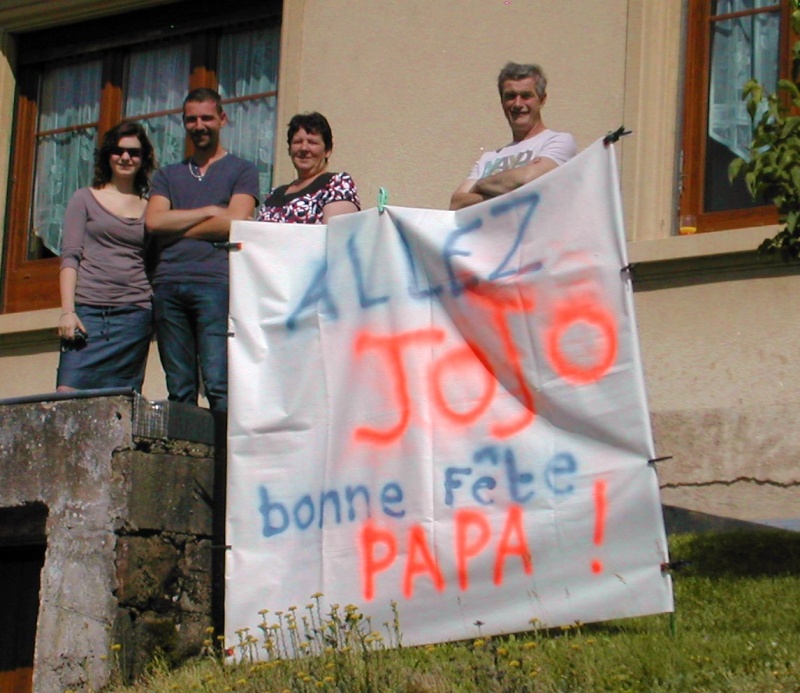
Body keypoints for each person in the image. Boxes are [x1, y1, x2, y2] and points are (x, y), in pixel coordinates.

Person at [145, 88, 259, 412]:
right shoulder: (168, 175)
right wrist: (209, 211)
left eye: (206, 117)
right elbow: (153, 222)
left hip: (215, 283)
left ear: (222, 119)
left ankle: (226, 463)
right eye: (192, 119)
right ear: (184, 124)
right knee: (179, 388)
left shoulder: (242, 170)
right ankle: (185, 460)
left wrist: (177, 228)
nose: (200, 125)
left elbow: (235, 221)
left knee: (218, 383)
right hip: (167, 284)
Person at [57, 121, 156, 393]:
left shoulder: (152, 208)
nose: (125, 157)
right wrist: (68, 311)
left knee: (119, 405)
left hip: (134, 316)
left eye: (134, 152)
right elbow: (70, 257)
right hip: (88, 313)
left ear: (143, 158)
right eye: (118, 151)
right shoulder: (84, 199)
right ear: (107, 155)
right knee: (68, 398)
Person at [449, 62, 577, 210]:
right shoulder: (488, 158)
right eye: (510, 96)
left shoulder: (558, 141)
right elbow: (456, 204)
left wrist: (481, 184)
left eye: (526, 96)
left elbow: (527, 180)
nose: (517, 104)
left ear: (542, 99)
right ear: (502, 101)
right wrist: (513, 190)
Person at [257, 112, 360, 223]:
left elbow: (338, 235)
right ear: (289, 150)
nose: (304, 148)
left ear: (327, 151)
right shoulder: (275, 194)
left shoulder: (336, 185)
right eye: (297, 142)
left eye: (312, 142)